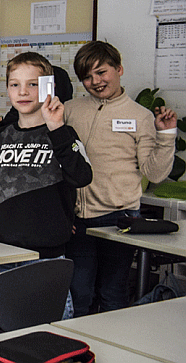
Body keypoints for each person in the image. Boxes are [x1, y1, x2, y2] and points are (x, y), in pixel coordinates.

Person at [0, 52, 93, 320]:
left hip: (46, 260)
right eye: (15, 84)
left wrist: (56, 126)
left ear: (48, 87)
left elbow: (81, 176)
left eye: (33, 84)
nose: (22, 92)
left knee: (51, 339)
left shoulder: (63, 134)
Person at [64, 41, 178, 316]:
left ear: (119, 69)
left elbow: (155, 173)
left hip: (119, 218)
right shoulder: (70, 109)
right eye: (88, 77)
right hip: (78, 219)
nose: (96, 81)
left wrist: (166, 136)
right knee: (79, 293)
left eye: (102, 72)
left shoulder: (140, 116)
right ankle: (81, 353)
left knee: (113, 294)